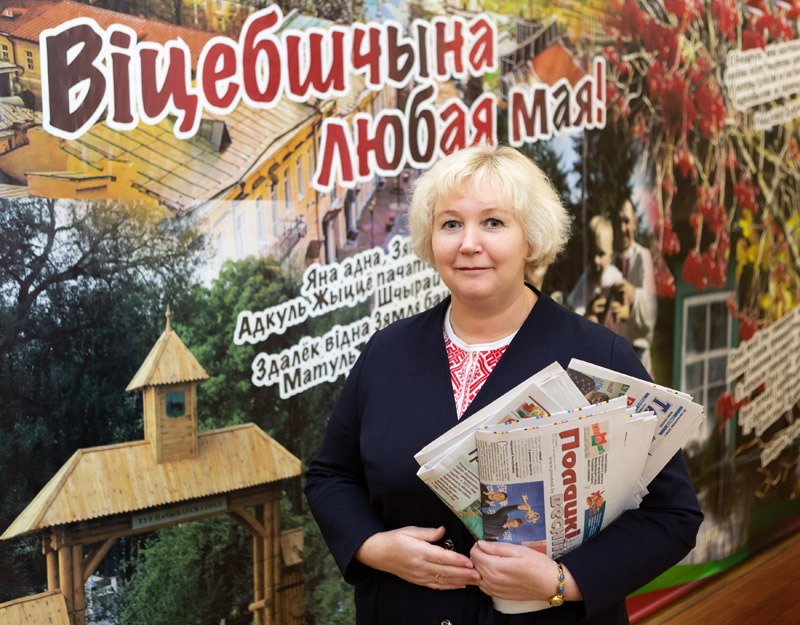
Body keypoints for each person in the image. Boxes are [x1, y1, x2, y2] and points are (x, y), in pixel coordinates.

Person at [304, 145, 702, 625]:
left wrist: (563, 581)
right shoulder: (385, 352)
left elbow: (672, 516)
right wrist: (373, 547)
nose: (469, 243)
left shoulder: (601, 357)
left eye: (493, 222)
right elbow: (331, 476)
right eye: (451, 224)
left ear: (531, 238)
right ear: (430, 238)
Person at [608, 199, 657, 372]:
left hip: (637, 357)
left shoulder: (643, 257)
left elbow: (650, 309)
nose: (622, 228)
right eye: (618, 222)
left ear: (635, 223)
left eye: (626, 221)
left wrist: (633, 294)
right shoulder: (610, 261)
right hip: (614, 356)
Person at [567, 215, 623, 323]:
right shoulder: (585, 280)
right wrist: (588, 313)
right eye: (591, 254)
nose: (595, 260)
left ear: (611, 255)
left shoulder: (615, 276)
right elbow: (573, 311)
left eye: (601, 254)